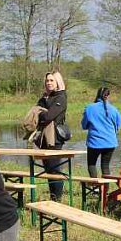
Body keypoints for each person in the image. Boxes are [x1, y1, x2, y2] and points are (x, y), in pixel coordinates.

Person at [36, 71, 68, 201]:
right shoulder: (44, 98)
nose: (49, 83)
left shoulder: (61, 97)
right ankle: (52, 197)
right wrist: (41, 113)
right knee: (48, 170)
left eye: (51, 80)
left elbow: (48, 116)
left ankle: (57, 200)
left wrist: (41, 113)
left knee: (55, 170)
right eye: (47, 81)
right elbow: (36, 113)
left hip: (55, 139)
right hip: (43, 138)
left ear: (57, 82)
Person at [81, 86, 121, 178]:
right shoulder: (115, 110)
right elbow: (117, 127)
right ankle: (105, 187)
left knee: (91, 164)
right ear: (108, 96)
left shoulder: (89, 108)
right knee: (105, 166)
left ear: (97, 95)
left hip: (94, 142)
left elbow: (84, 125)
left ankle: (95, 185)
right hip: (110, 143)